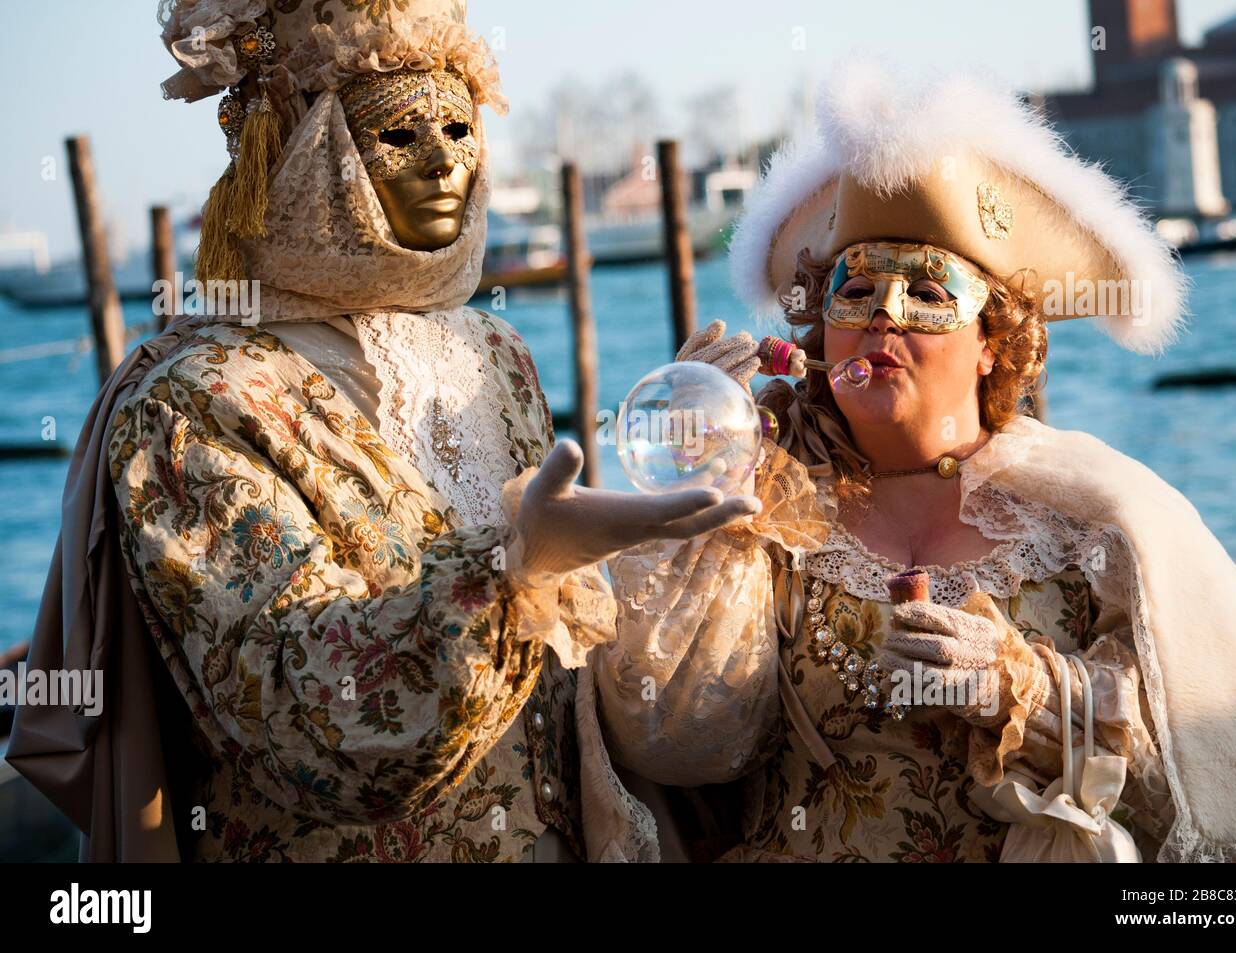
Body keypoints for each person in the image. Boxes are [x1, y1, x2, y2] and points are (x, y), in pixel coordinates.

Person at [5, 0, 754, 862]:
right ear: (310, 152)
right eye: (398, 133)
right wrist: (514, 571)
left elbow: (567, 674)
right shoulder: (193, 399)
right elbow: (298, 713)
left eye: (459, 126)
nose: (442, 161)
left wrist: (680, 489)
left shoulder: (496, 352)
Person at [590, 60, 1236, 862]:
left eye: (928, 294)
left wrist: (1019, 688)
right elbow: (675, 741)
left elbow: (1192, 757)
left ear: (995, 343)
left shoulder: (1091, 518)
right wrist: (707, 484)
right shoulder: (772, 501)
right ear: (819, 330)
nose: (883, 316)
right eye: (854, 292)